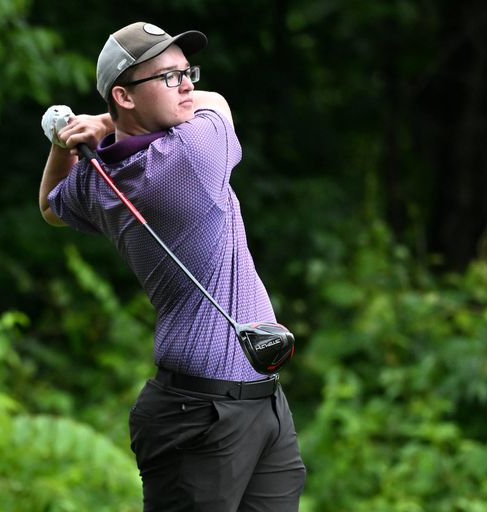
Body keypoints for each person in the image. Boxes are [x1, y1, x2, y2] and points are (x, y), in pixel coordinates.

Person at [38, 21, 305, 511]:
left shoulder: (103, 181)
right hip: (202, 415)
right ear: (124, 96)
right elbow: (219, 103)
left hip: (254, 402)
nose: (187, 86)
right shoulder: (190, 154)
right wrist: (100, 122)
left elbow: (52, 208)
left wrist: (65, 143)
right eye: (168, 77)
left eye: (188, 73)